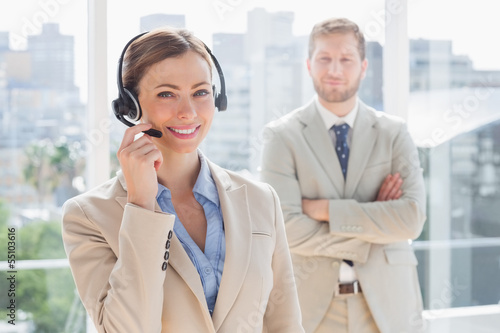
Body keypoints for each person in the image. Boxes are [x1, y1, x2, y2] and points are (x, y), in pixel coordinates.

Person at [62, 27, 304, 333]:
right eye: (167, 94)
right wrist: (141, 206)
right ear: (130, 105)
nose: (188, 112)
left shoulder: (260, 199)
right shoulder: (88, 217)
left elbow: (285, 324)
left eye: (200, 92)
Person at [260, 18, 426, 333]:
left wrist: (324, 210)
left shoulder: (393, 133)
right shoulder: (281, 136)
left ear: (363, 67)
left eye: (346, 59)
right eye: (324, 58)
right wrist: (375, 227)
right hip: (311, 310)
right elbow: (287, 229)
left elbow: (411, 219)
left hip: (389, 306)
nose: (335, 69)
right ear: (309, 65)